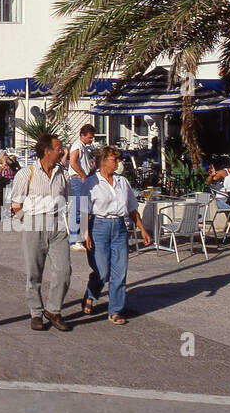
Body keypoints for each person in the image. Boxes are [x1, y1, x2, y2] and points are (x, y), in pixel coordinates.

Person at [8, 133, 73, 333]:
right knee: (34, 273)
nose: (62, 151)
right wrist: (26, 221)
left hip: (57, 224)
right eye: (58, 148)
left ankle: (53, 310)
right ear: (47, 151)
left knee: (64, 271)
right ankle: (36, 313)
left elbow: (69, 198)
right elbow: (15, 203)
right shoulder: (27, 174)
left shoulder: (62, 173)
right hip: (34, 223)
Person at [82, 145, 153, 325]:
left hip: (120, 227)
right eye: (116, 159)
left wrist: (142, 230)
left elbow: (131, 208)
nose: (119, 162)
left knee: (119, 272)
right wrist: (85, 233)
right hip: (98, 226)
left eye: (119, 159)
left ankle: (115, 310)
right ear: (104, 161)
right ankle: (91, 293)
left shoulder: (123, 182)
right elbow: (82, 210)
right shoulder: (91, 182)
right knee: (102, 271)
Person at [67, 124, 97, 252]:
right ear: (82, 135)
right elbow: (72, 162)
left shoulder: (83, 146)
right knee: (78, 209)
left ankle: (81, 238)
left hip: (82, 179)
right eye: (90, 137)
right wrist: (83, 175)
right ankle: (74, 239)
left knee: (82, 208)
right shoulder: (77, 145)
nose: (91, 140)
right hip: (78, 179)